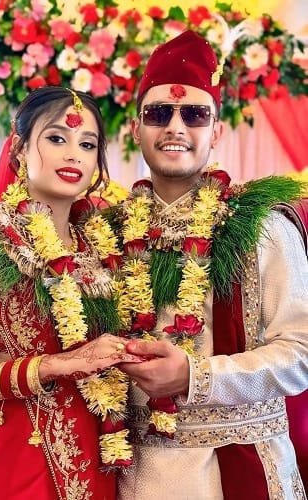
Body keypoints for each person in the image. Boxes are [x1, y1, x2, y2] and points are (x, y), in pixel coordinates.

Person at [112, 30, 308, 499]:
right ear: (136, 129)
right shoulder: (105, 232)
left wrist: (195, 376)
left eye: (195, 114)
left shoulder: (262, 225)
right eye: (159, 113)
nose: (175, 127)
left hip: (239, 466)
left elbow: (300, 355)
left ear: (216, 132)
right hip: (135, 474)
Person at [0, 87, 142, 499]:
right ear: (19, 149)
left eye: (87, 145)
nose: (74, 155)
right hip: (12, 461)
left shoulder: (105, 247)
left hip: (98, 458)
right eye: (56, 138)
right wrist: (58, 365)